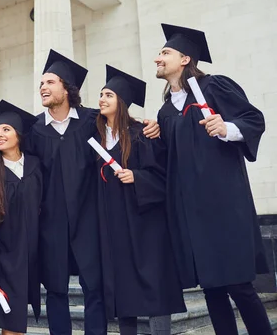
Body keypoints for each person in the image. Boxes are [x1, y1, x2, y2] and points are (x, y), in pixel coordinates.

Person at [23, 49, 160, 335]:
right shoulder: (34, 128)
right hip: (52, 222)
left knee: (95, 289)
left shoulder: (92, 121)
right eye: (41, 84)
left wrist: (150, 124)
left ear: (67, 88)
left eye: (50, 82)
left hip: (91, 220)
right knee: (56, 291)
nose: (43, 88)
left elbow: (121, 129)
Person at [155, 24, 271, 335]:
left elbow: (253, 119)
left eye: (165, 52)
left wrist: (227, 128)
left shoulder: (214, 87)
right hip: (192, 215)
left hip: (224, 207)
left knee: (239, 286)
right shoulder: (166, 112)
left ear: (184, 59)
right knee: (212, 290)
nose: (158, 58)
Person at [94, 65, 185, 335]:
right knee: (124, 290)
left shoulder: (141, 134)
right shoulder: (97, 140)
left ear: (121, 102)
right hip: (116, 225)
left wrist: (138, 177)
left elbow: (163, 176)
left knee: (156, 285)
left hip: (146, 225)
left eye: (108, 95)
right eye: (101, 94)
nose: (102, 99)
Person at [0, 100, 42, 335]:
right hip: (4, 257)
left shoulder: (35, 166)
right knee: (11, 322)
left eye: (6, 129)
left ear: (19, 135)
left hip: (30, 254)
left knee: (18, 320)